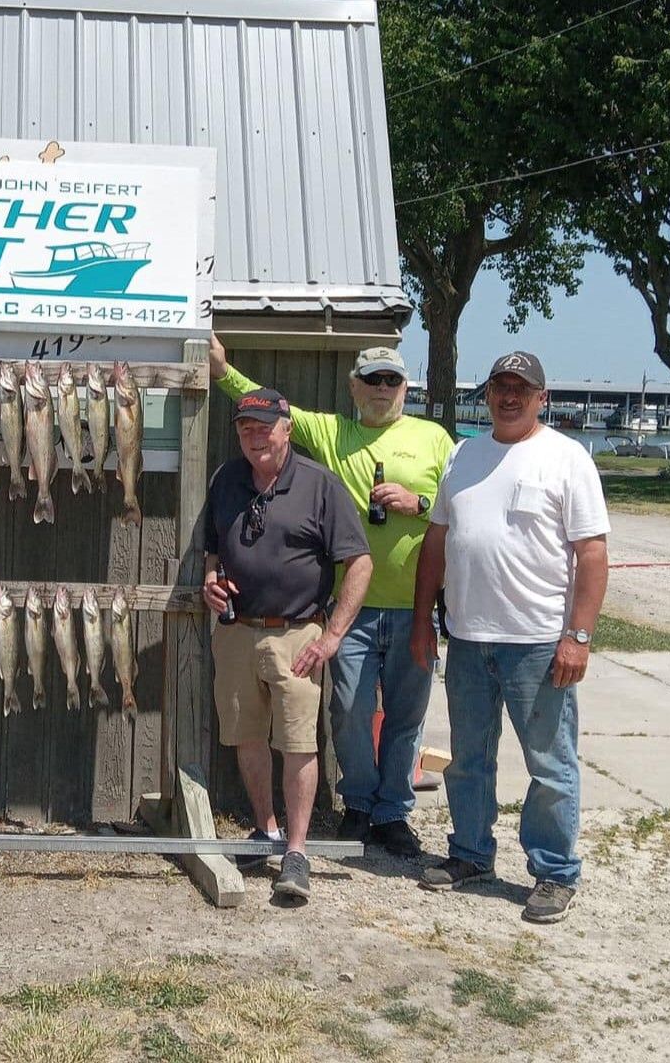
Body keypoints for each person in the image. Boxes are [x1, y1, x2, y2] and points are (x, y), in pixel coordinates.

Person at [210, 335, 452, 857]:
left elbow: (461, 505)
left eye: (391, 380)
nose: (382, 388)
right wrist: (223, 371)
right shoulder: (334, 431)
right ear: (353, 387)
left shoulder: (434, 438)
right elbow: (268, 411)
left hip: (415, 606)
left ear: (405, 387)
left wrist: (420, 502)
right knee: (349, 712)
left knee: (406, 717)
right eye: (372, 379)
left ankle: (394, 813)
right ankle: (359, 804)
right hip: (350, 609)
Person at [411, 351, 609, 924]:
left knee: (549, 765)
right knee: (469, 759)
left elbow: (592, 554)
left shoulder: (567, 458)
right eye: (500, 386)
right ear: (489, 395)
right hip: (468, 638)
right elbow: (436, 542)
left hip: (539, 643)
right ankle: (471, 854)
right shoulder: (464, 455)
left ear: (542, 398)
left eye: (521, 387)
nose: (509, 396)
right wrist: (424, 619)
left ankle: (554, 872)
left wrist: (578, 636)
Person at [203, 388, 373, 903]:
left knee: (298, 742)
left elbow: (360, 563)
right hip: (236, 632)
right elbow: (212, 549)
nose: (254, 437)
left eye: (264, 428)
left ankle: (296, 852)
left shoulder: (320, 485)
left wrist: (333, 635)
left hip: (299, 633)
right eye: (245, 428)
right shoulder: (226, 479)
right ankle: (266, 830)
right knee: (246, 735)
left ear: (287, 429)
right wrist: (211, 579)